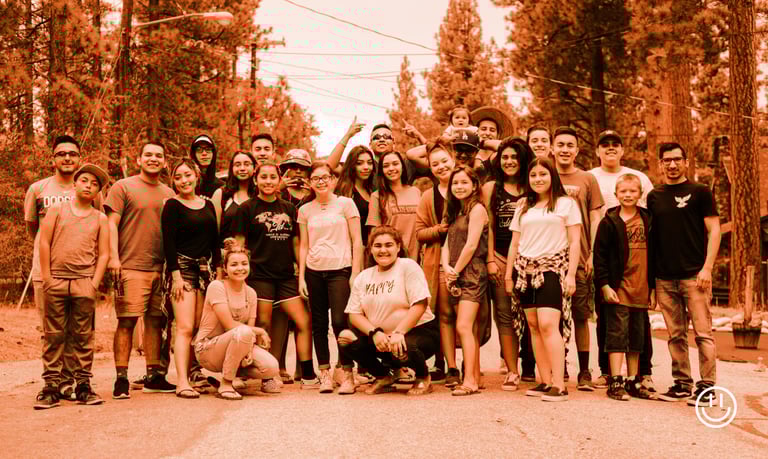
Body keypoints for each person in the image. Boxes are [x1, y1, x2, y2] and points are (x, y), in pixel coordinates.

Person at [233, 161, 316, 392]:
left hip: (286, 275)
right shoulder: (247, 208)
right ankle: (266, 375)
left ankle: (308, 374)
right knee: (263, 323)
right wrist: (238, 278)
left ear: (279, 179)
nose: (268, 181)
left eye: (272, 177)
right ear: (256, 180)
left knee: (303, 320)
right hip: (259, 275)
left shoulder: (289, 208)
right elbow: (239, 246)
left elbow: (296, 243)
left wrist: (303, 273)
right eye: (263, 177)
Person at [647, 142, 721, 405]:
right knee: (675, 335)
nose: (672, 164)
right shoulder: (654, 196)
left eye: (677, 159)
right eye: (667, 160)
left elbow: (715, 230)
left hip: (695, 277)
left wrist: (707, 268)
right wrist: (652, 283)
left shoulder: (700, 192)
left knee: (703, 334)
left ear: (686, 162)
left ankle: (707, 387)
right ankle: (681, 384)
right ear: (661, 164)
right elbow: (653, 240)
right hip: (664, 278)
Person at [504, 157, 581, 402]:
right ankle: (545, 380)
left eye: (543, 174)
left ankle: (560, 384)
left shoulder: (566, 204)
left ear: (552, 176)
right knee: (534, 327)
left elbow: (574, 242)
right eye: (534, 175)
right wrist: (508, 275)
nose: (538, 179)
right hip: (524, 271)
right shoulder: (524, 206)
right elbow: (514, 243)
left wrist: (571, 275)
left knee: (548, 325)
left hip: (552, 270)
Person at [34, 164, 110, 409]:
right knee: (54, 335)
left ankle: (83, 385)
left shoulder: (100, 218)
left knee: (83, 336)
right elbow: (44, 242)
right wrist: (47, 278)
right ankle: (51, 386)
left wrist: (94, 283)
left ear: (98, 192)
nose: (89, 186)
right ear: (75, 183)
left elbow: (104, 254)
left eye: (95, 184)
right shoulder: (57, 210)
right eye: (85, 180)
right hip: (56, 280)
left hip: (83, 282)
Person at [105, 140, 176, 399]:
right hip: (130, 265)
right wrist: (113, 258)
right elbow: (110, 224)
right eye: (148, 155)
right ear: (139, 160)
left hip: (161, 269)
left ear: (164, 162)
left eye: (158, 155)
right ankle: (121, 378)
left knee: (156, 322)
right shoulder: (123, 187)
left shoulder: (170, 193)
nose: (153, 159)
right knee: (127, 321)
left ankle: (154, 375)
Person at [588, 129, 656, 393]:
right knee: (615, 333)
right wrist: (604, 283)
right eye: (623, 191)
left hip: (641, 288)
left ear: (640, 193)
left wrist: (653, 287)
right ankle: (614, 377)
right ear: (616, 194)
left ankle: (634, 378)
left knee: (637, 337)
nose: (628, 194)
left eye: (632, 191)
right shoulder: (610, 220)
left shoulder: (648, 220)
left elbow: (655, 254)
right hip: (618, 287)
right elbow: (601, 255)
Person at [338, 226, 439, 395]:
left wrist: (399, 332)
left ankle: (423, 377)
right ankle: (384, 376)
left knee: (406, 345)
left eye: (389, 245)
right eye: (378, 246)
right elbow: (354, 315)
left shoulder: (408, 266)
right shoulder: (363, 277)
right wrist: (375, 333)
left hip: (418, 334)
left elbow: (420, 304)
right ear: (371, 249)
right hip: (383, 339)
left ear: (398, 247)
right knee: (345, 338)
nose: (383, 250)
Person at [24, 135, 86, 401]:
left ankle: (68, 382)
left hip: (80, 271)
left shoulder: (87, 188)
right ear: (53, 159)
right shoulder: (38, 189)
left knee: (75, 330)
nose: (67, 158)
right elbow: (32, 228)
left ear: (79, 158)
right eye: (61, 153)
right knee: (51, 331)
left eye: (72, 153)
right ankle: (51, 382)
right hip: (46, 271)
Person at [298, 162, 364, 393]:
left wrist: (355, 273)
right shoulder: (305, 210)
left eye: (325, 177)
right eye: (316, 178)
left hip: (340, 269)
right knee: (318, 324)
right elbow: (304, 245)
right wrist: (301, 278)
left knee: (339, 322)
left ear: (333, 179)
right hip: (314, 271)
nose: (321, 181)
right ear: (310, 183)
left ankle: (346, 373)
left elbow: (357, 240)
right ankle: (325, 373)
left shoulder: (346, 204)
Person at [161, 159, 221, 398]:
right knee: (185, 327)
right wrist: (175, 276)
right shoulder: (172, 205)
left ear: (196, 176)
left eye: (187, 175)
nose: (183, 181)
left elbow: (215, 241)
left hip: (205, 271)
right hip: (182, 269)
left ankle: (193, 374)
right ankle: (182, 382)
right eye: (178, 177)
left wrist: (218, 272)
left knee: (198, 327)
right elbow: (168, 243)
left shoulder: (208, 205)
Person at [552, 126, 604, 390]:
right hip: (550, 257)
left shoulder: (587, 179)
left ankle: (584, 370)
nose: (565, 149)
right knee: (553, 316)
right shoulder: (544, 175)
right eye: (560, 144)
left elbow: (595, 217)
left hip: (580, 256)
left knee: (581, 315)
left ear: (577, 150)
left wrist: (593, 253)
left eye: (569, 145)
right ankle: (558, 364)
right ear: (552, 148)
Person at [194, 239, 279, 401]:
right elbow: (229, 325)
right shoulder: (217, 287)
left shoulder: (251, 293)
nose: (240, 268)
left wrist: (248, 352)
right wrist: (260, 331)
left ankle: (232, 375)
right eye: (234, 264)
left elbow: (249, 331)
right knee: (243, 331)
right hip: (208, 349)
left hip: (238, 342)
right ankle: (226, 384)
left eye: (244, 264)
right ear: (225, 268)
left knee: (271, 367)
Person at [482, 138, 533, 391]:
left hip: (531, 258)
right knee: (505, 316)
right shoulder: (491, 188)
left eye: (514, 157)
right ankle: (512, 370)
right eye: (505, 157)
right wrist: (491, 259)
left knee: (533, 315)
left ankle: (536, 367)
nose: (509, 161)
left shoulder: (533, 184)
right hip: (501, 257)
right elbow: (489, 226)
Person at [442, 165, 489, 396]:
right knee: (469, 327)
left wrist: (456, 270)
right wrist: (446, 267)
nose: (459, 187)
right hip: (455, 272)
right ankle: (475, 377)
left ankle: (469, 381)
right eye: (455, 183)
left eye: (464, 182)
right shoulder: (455, 211)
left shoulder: (477, 209)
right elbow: (446, 243)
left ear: (474, 185)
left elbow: (471, 244)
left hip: (471, 272)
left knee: (463, 326)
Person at [415, 141, 456, 384]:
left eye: (444, 161)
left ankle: (470, 364)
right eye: (435, 164)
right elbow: (419, 233)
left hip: (466, 259)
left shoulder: (466, 186)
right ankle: (445, 364)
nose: (441, 167)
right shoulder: (428, 196)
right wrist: (438, 230)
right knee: (442, 313)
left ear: (453, 160)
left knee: (468, 316)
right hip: (437, 261)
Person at [325, 119, 421, 182]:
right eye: (377, 137)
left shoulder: (406, 165)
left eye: (386, 136)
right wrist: (347, 136)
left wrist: (419, 136)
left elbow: (430, 158)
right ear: (370, 144)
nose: (382, 139)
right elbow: (330, 167)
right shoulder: (363, 167)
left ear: (394, 142)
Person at [366, 151, 422, 260]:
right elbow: (374, 234)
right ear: (381, 171)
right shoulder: (377, 196)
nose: (391, 168)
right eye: (386, 166)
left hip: (416, 259)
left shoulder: (415, 192)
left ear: (402, 166)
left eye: (395, 164)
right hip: (389, 258)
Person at [211, 151, 257, 243]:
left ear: (254, 168)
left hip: (255, 250)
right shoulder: (221, 194)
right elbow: (213, 232)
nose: (242, 168)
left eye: (247, 164)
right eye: (237, 165)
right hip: (226, 249)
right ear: (232, 168)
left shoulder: (260, 194)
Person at [334, 145, 376, 245]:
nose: (366, 167)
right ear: (352, 165)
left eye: (370, 163)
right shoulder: (344, 191)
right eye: (359, 163)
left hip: (371, 247)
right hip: (349, 248)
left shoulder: (372, 190)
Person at [189, 134, 224, 199]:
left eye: (208, 149)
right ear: (194, 154)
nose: (204, 153)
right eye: (199, 150)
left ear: (213, 154)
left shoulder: (221, 187)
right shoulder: (187, 184)